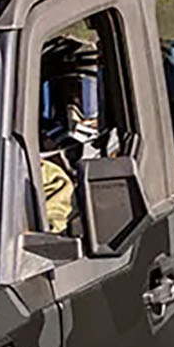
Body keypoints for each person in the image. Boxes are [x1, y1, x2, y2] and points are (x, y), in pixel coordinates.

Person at [38, 35, 104, 234]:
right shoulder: (37, 173)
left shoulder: (130, 155)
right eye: (57, 101)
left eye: (82, 100)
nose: (71, 114)